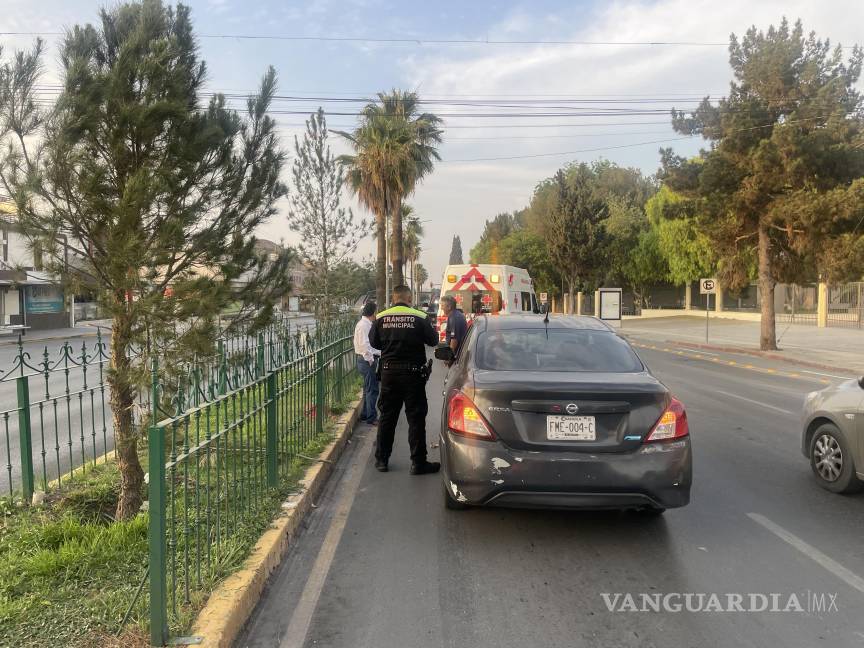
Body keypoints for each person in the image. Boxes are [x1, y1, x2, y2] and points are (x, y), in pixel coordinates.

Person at [369, 285, 439, 474]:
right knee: (416, 419)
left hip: (388, 374)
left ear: (393, 299)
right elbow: (433, 341)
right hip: (413, 375)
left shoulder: (381, 317)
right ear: (409, 299)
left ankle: (382, 460)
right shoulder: (420, 317)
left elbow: (374, 342)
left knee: (387, 417)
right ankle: (418, 463)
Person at [353, 301, 380, 425]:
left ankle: (365, 414)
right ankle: (371, 417)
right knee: (372, 390)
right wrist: (370, 359)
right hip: (366, 360)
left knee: (367, 389)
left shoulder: (364, 323)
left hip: (363, 359)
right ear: (373, 312)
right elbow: (365, 345)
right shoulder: (365, 325)